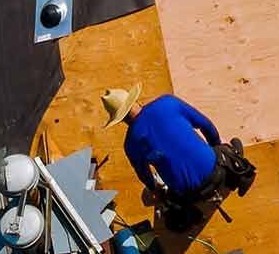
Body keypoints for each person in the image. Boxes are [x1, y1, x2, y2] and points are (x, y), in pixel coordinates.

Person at [102, 85, 256, 229]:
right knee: (227, 147)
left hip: (190, 196)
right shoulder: (168, 103)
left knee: (167, 205)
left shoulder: (131, 144)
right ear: (134, 99)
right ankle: (237, 172)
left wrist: (156, 190)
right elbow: (206, 125)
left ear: (120, 120)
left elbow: (146, 177)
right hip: (217, 171)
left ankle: (193, 216)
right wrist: (218, 148)